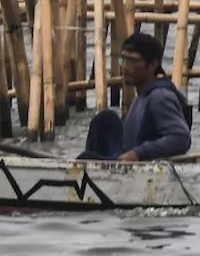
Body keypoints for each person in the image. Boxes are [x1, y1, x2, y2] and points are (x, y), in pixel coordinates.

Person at [78, 32, 192, 162]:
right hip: (125, 160)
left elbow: (180, 138)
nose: (125, 67)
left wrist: (139, 153)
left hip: (145, 171)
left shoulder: (159, 97)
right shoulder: (142, 95)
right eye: (124, 60)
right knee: (105, 120)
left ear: (153, 65)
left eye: (133, 61)